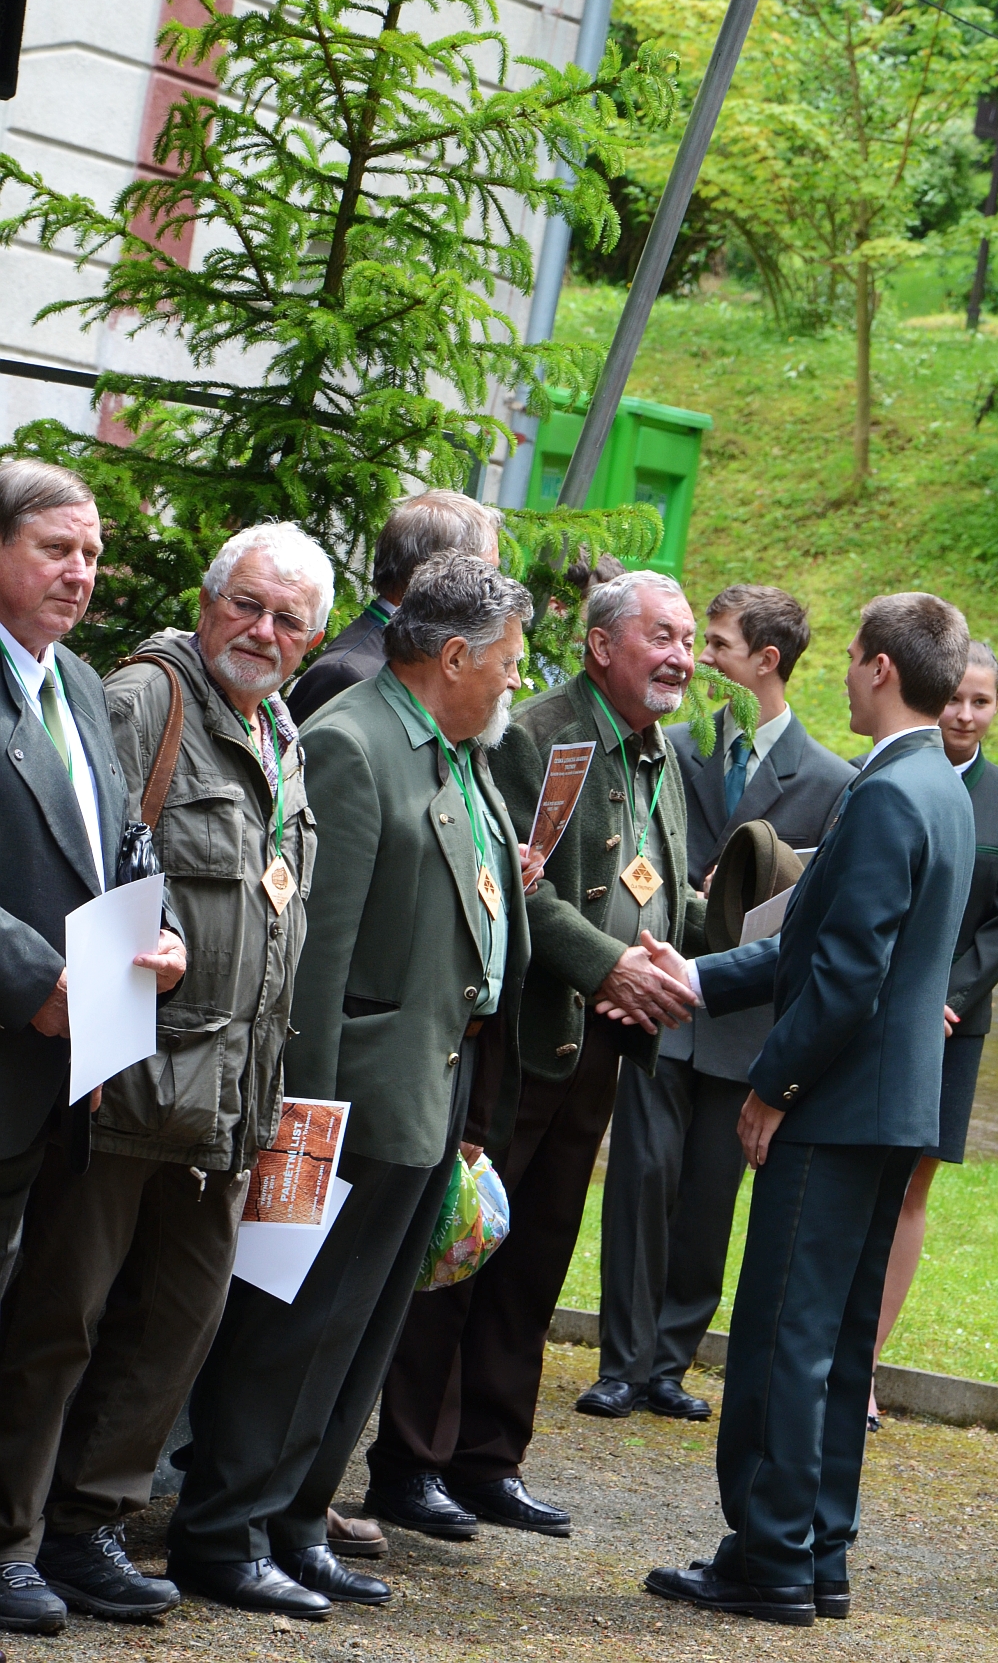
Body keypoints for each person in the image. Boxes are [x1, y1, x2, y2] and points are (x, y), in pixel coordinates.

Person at [166, 553, 534, 1620]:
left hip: (426, 1091)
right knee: (295, 1333)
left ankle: (294, 1521)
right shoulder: (356, 742)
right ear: (453, 656)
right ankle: (224, 1532)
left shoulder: (453, 748)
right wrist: (308, 1123)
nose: (515, 680)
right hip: (353, 1100)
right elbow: (315, 958)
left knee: (358, 1341)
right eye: (507, 663)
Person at [643, 592, 975, 1627]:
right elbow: (813, 944)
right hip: (889, 1110)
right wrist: (696, 977)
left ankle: (768, 1555)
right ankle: (818, 1548)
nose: (842, 673)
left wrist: (770, 1087)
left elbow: (843, 976)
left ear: (880, 668)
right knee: (833, 1342)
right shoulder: (940, 784)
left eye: (852, 657)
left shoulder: (887, 792)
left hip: (831, 1110)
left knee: (783, 1336)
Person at [362, 570, 705, 1541]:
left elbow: (657, 882)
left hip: (606, 1043)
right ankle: (411, 1463)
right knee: (466, 1244)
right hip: (518, 1040)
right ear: (601, 645)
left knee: (537, 1261)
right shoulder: (539, 730)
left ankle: (489, 1461)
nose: (681, 657)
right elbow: (516, 885)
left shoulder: (659, 750)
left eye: (688, 640)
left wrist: (673, 957)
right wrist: (608, 966)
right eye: (661, 637)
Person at [580, 584, 854, 1420]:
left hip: (743, 1019)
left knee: (708, 1195)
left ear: (765, 662)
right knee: (639, 1180)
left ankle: (670, 1361)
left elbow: (821, 912)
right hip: (658, 995)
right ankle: (622, 1362)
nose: (698, 661)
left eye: (718, 646)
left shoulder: (833, 781)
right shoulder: (668, 746)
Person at [0, 460, 187, 1638]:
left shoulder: (74, 679)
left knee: (44, 1325)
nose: (81, 574)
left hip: (74, 1070)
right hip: (17, 1034)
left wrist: (158, 931)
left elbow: (122, 836)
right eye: (56, 549)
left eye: (93, 554)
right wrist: (33, 981)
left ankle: (11, 1545)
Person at [870, 641, 998, 1422]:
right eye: (956, 699)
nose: (965, 715)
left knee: (911, 1186)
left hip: (953, 1027)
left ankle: (866, 1364)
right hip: (875, 1008)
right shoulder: (886, 777)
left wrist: (946, 999)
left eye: (983, 702)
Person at [288, 490, 501, 724]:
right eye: (484, 576)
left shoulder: (422, 652)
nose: (493, 591)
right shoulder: (346, 673)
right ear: (434, 574)